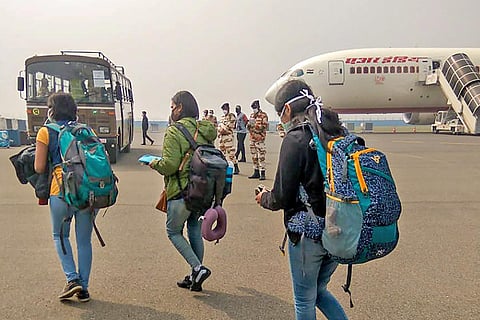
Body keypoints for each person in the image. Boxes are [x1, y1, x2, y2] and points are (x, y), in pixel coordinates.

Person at [255, 80, 348, 320]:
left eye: (279, 114)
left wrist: (264, 197)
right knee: (318, 291)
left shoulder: (296, 139)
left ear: (286, 110)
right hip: (340, 229)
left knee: (304, 300)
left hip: (309, 233)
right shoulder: (337, 131)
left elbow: (281, 197)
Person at [149, 90, 217, 292]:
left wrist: (154, 163)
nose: (171, 112)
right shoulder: (205, 129)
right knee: (194, 229)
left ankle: (197, 268)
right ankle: (195, 276)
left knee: (173, 231)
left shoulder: (174, 131)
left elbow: (170, 165)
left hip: (180, 191)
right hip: (202, 190)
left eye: (172, 107)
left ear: (179, 108)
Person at [34, 92, 96, 302]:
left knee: (60, 236)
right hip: (87, 191)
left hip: (60, 190)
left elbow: (39, 166)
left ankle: (72, 279)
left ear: (51, 110)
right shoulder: (86, 130)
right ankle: (84, 288)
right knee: (84, 241)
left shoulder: (45, 131)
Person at [246, 99, 268, 180]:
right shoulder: (252, 115)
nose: (254, 109)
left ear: (258, 107)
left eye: (255, 107)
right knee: (254, 156)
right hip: (252, 139)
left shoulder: (263, 115)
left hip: (260, 139)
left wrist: (255, 126)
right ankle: (256, 171)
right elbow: (248, 127)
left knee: (261, 156)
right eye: (253, 108)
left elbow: (264, 126)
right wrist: (248, 125)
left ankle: (262, 173)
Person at [218, 103, 239, 174]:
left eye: (225, 109)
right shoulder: (222, 117)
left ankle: (236, 167)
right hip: (222, 138)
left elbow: (230, 126)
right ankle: (224, 167)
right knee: (222, 154)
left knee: (231, 154)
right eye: (223, 109)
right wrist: (220, 130)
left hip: (228, 138)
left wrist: (223, 130)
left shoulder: (231, 116)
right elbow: (219, 126)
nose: (224, 111)